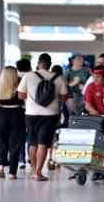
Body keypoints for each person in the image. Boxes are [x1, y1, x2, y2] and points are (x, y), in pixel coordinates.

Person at [17, 53, 67, 181]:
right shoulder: (58, 77)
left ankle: (34, 170)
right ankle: (38, 172)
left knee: (33, 143)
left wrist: (33, 97)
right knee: (43, 143)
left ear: (38, 64)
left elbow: (20, 96)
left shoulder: (28, 76)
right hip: (50, 114)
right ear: (50, 64)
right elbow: (63, 98)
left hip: (31, 114)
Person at [0, 66, 26, 180]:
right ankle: (12, 173)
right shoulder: (20, 83)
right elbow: (25, 99)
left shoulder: (0, 84)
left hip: (2, 113)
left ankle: (1, 168)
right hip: (17, 113)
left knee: (2, 141)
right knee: (15, 144)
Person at [16, 58, 32, 169]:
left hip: (18, 109)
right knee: (31, 134)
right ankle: (31, 157)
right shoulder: (32, 77)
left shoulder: (14, 78)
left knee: (20, 135)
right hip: (31, 109)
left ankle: (21, 160)